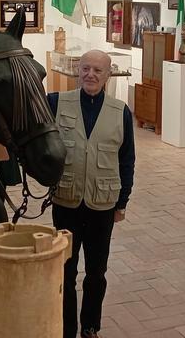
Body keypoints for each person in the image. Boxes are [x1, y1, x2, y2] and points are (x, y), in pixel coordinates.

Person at [48, 50, 135, 338]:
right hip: (66, 202)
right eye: (86, 69)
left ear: (108, 75)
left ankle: (90, 327)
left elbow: (126, 160)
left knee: (96, 273)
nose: (91, 75)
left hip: (102, 205)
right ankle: (66, 329)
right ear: (77, 71)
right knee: (65, 271)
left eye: (98, 70)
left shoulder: (120, 111)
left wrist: (122, 202)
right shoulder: (56, 103)